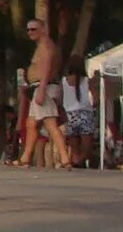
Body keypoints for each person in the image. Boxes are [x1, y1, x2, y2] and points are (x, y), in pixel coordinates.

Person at [22, 19, 66, 169]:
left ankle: (65, 157)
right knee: (31, 123)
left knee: (50, 123)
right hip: (39, 86)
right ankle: (26, 157)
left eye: (33, 29)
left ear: (42, 29)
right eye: (28, 30)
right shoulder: (41, 45)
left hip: (44, 87)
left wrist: (41, 89)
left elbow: (47, 67)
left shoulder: (46, 44)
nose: (30, 32)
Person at [62, 67, 98, 169]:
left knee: (74, 145)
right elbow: (95, 100)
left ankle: (76, 158)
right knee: (86, 144)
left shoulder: (64, 80)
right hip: (85, 113)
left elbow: (60, 98)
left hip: (69, 114)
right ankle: (81, 159)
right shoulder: (87, 80)